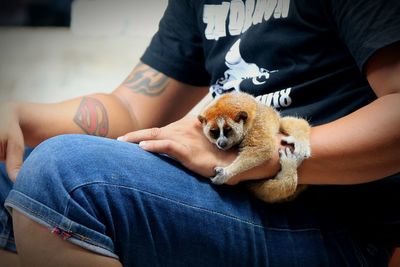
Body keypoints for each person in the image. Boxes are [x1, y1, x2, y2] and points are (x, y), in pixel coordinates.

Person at [1, 0, 399, 266]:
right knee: (8, 175)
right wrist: (18, 115)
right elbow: (132, 107)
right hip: (236, 196)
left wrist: (259, 155)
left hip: (336, 222)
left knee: (64, 177)